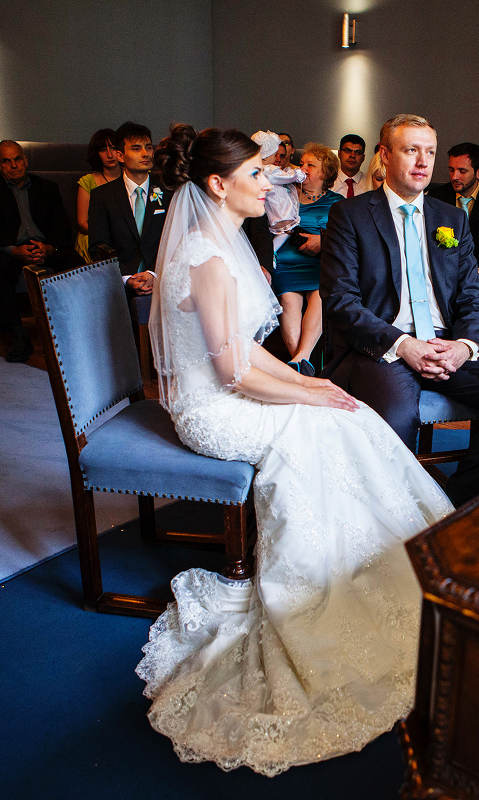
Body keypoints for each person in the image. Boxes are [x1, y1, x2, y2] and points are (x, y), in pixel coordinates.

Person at [136, 124, 453, 777]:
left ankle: (387, 563)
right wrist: (306, 398)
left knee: (346, 413)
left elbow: (251, 353)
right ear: (220, 185)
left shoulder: (220, 240)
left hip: (236, 386)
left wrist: (309, 381)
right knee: (327, 424)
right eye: (257, 174)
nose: (270, 184)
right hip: (211, 411)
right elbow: (230, 374)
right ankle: (315, 587)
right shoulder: (206, 256)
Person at [321, 114, 479, 506]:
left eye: (430, 152)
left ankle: (453, 500)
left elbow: (474, 295)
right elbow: (341, 301)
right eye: (411, 151)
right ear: (385, 156)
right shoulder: (349, 215)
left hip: (447, 342)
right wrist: (404, 346)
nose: (424, 162)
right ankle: (395, 513)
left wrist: (466, 346)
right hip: (384, 347)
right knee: (397, 419)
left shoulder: (451, 218)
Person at [0, 140, 82, 361]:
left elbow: (63, 226)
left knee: (75, 262)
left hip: (46, 247)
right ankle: (18, 336)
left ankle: (78, 331)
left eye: (17, 159)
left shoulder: (48, 187)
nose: (14, 165)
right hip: (10, 252)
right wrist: (15, 250)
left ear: (25, 160)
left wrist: (49, 248)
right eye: (6, 161)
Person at [427, 142, 479, 346]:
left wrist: (474, 274)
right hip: (442, 272)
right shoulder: (437, 197)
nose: (455, 176)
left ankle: (475, 348)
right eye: (451, 169)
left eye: (462, 171)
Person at [87, 121, 174, 318]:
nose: (146, 154)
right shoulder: (103, 196)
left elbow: (176, 240)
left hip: (163, 276)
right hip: (120, 279)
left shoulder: (168, 190)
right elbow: (98, 247)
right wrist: (127, 278)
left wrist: (153, 274)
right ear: (120, 155)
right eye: (136, 148)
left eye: (148, 147)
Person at [271, 142, 343, 374]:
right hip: (287, 261)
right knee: (289, 300)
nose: (303, 168)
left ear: (325, 172)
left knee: (320, 295)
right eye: (301, 163)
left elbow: (346, 240)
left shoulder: (337, 202)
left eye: (311, 165)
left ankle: (300, 361)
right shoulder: (286, 194)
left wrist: (322, 243)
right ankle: (301, 362)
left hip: (319, 264)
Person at [250, 130, 306, 254]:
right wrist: (297, 174)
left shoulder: (259, 169)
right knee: (287, 229)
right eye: (274, 154)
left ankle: (272, 253)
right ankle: (272, 253)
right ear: (266, 155)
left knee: (286, 231)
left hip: (273, 202)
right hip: (277, 203)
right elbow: (285, 176)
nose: (277, 158)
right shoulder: (269, 170)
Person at [74, 129, 120, 263]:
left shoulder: (129, 177)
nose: (110, 154)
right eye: (103, 150)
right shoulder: (87, 181)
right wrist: (110, 235)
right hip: (94, 236)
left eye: (113, 148)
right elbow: (82, 223)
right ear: (97, 154)